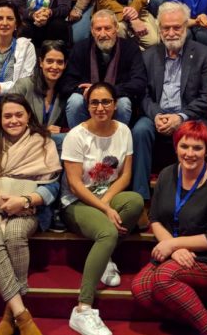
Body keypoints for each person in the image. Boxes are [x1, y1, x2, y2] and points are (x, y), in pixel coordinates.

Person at [0, 94, 61, 335]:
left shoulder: (43, 142)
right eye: (7, 116)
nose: (13, 120)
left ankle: (10, 314)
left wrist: (24, 201)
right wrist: (1, 201)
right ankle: (22, 315)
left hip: (28, 207)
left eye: (19, 114)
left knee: (15, 234)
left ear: (28, 115)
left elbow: (52, 187)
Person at [132, 121, 207, 335]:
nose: (190, 153)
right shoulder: (166, 174)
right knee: (140, 289)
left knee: (163, 279)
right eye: (184, 146)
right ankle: (202, 316)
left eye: (197, 148)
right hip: (176, 253)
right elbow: (155, 219)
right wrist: (174, 247)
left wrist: (172, 244)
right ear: (176, 147)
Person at [60, 82, 144, 335]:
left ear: (115, 104)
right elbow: (75, 185)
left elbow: (125, 176)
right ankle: (83, 309)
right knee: (107, 231)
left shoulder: (124, 131)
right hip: (76, 202)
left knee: (135, 202)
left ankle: (105, 256)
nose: (100, 107)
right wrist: (104, 208)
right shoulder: (76, 135)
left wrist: (107, 202)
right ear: (87, 106)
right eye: (94, 102)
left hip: (105, 195)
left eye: (106, 101)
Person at [131, 2, 207, 201]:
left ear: (186, 26)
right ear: (159, 29)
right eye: (165, 28)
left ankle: (196, 196)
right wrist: (158, 115)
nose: (171, 33)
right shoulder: (148, 56)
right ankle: (140, 198)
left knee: (196, 131)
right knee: (140, 130)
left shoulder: (204, 54)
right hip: (157, 115)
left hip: (191, 116)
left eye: (176, 27)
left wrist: (180, 117)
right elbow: (142, 95)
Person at [60, 9, 147, 128]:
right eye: (98, 29)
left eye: (107, 28)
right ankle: (80, 143)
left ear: (116, 28)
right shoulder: (80, 48)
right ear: (92, 31)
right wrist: (89, 93)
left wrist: (106, 92)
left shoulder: (130, 48)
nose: (102, 34)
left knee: (123, 103)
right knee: (75, 101)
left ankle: (116, 142)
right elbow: (67, 83)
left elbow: (139, 82)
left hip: (117, 98)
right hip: (88, 101)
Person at [9, 40, 69, 149]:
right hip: (21, 142)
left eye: (60, 62)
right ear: (41, 62)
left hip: (50, 147)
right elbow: (8, 118)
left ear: (65, 65)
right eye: (49, 61)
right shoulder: (24, 85)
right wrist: (42, 130)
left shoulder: (66, 91)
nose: (55, 67)